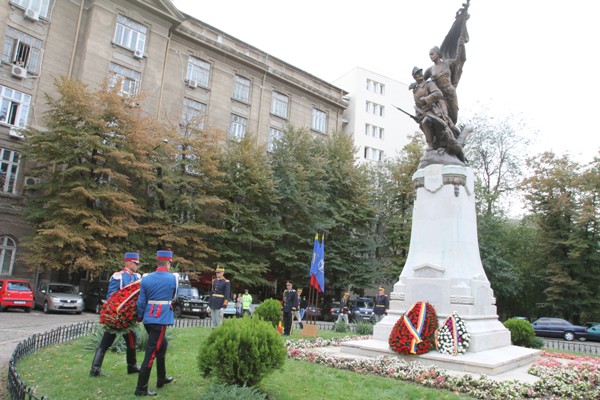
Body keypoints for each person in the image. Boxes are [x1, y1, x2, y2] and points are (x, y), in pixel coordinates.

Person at [90, 252, 141, 377]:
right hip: (118, 316)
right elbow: (111, 296)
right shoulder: (118, 276)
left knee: (131, 341)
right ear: (128, 262)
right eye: (135, 263)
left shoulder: (137, 277)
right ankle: (95, 369)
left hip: (128, 317)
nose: (137, 266)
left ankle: (132, 366)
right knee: (106, 342)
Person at [133, 249, 177, 397]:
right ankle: (141, 388)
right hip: (160, 319)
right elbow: (173, 296)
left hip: (148, 318)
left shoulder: (146, 278)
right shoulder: (173, 278)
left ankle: (161, 378)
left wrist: (140, 317)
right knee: (151, 353)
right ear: (168, 263)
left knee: (162, 346)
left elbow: (141, 302)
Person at [411, 66, 465, 163]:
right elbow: (417, 105)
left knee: (429, 122)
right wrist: (416, 116)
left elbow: (438, 94)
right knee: (424, 122)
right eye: (417, 74)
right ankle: (432, 145)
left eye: (420, 72)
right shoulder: (415, 90)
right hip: (422, 113)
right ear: (414, 77)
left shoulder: (429, 84)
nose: (420, 75)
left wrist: (427, 99)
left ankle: (434, 146)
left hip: (433, 111)